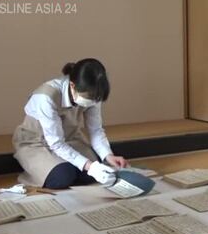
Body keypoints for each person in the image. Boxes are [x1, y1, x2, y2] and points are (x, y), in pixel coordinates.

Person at [12, 58, 129, 189]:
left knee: (93, 173)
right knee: (62, 177)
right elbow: (56, 143)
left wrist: (109, 156)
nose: (92, 101)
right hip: (36, 143)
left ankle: (62, 166)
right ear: (72, 85)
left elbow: (95, 130)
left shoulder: (94, 95)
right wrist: (90, 166)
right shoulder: (46, 96)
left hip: (71, 140)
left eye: (96, 98)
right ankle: (32, 170)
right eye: (89, 97)